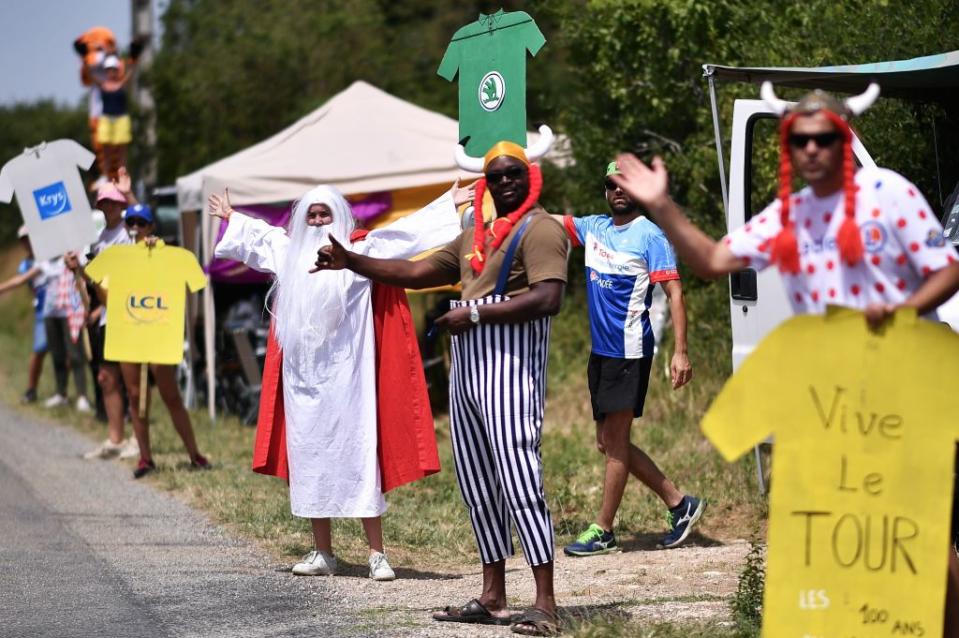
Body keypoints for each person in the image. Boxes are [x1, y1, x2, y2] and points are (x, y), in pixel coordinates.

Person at [610, 82, 959, 637]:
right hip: (828, 403)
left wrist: (902, 307)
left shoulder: (886, 192)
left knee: (920, 534)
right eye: (800, 140)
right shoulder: (789, 213)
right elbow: (713, 260)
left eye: (824, 138)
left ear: (842, 139)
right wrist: (661, 205)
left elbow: (947, 268)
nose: (812, 149)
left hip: (897, 389)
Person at [314, 142, 568, 635]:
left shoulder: (542, 228)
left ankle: (545, 603)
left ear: (529, 174)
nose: (505, 182)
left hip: (512, 366)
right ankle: (493, 596)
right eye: (495, 177)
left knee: (519, 479)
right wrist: (353, 261)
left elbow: (549, 297)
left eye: (513, 173)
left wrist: (474, 312)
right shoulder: (476, 234)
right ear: (486, 184)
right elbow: (414, 272)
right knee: (477, 483)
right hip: (470, 368)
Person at [211, 182, 467, 582]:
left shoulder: (360, 251)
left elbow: (404, 234)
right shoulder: (288, 252)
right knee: (310, 456)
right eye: (311, 215)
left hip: (352, 376)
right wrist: (230, 217)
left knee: (360, 454)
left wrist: (445, 205)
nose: (317, 221)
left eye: (324, 215)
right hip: (303, 381)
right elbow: (260, 237)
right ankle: (323, 552)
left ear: (339, 218)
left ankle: (377, 554)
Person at [554, 161, 703, 557]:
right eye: (611, 185)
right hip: (601, 353)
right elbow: (547, 222)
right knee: (607, 442)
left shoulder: (651, 236)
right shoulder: (594, 228)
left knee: (616, 441)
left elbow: (674, 294)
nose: (618, 191)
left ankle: (603, 530)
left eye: (625, 185)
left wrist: (681, 352)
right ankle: (679, 503)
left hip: (630, 352)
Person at [109, 204, 209, 479]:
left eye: (142, 223)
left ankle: (195, 455)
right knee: (135, 396)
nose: (137, 228)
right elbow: (104, 290)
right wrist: (79, 271)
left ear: (152, 227)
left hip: (158, 331)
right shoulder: (120, 257)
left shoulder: (166, 253)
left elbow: (196, 282)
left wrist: (159, 253)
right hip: (130, 332)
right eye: (131, 222)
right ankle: (145, 458)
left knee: (171, 395)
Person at [67, 173, 139, 461]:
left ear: (121, 205)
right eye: (105, 203)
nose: (109, 207)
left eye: (114, 202)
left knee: (131, 381)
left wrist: (130, 194)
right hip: (106, 315)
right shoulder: (99, 240)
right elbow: (97, 280)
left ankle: (138, 438)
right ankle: (115, 439)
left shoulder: (130, 232)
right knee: (106, 377)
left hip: (128, 313)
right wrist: (78, 268)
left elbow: (142, 219)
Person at [0, 226, 49, 403]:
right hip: (42, 312)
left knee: (66, 355)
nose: (27, 242)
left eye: (29, 238)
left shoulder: (47, 257)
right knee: (39, 350)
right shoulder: (25, 264)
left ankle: (63, 392)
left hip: (60, 309)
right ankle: (31, 389)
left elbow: (21, 280)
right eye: (24, 239)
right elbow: (22, 281)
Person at [94, 55, 134, 180]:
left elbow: (131, 72)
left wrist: (132, 59)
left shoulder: (122, 84)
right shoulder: (102, 84)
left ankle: (122, 175)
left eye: (113, 69)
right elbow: (91, 72)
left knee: (121, 151)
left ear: (117, 70)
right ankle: (105, 176)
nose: (111, 72)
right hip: (106, 119)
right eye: (108, 69)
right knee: (106, 150)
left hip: (121, 119)